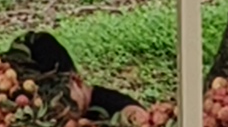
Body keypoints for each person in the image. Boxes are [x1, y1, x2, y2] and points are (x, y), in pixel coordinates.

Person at [8, 29, 136, 118]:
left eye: (63, 102)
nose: (57, 117)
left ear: (76, 81)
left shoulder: (116, 108)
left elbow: (136, 116)